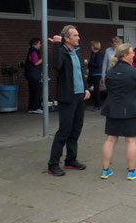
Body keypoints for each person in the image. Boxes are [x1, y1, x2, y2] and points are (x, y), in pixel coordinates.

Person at [47, 25, 91, 177]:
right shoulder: (61, 51)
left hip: (79, 96)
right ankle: (53, 164)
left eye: (78, 35)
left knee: (76, 130)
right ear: (66, 38)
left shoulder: (75, 52)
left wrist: (86, 88)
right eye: (75, 35)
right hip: (67, 96)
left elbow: (80, 72)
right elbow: (57, 67)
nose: (78, 38)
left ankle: (71, 160)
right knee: (64, 131)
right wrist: (57, 45)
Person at [100, 44, 136, 180]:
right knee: (130, 141)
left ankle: (105, 170)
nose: (134, 55)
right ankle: (132, 171)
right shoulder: (134, 72)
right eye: (132, 52)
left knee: (110, 139)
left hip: (112, 109)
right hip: (130, 110)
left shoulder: (110, 72)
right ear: (126, 55)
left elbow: (108, 88)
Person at [25, 38, 43, 114]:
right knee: (36, 92)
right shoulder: (34, 51)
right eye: (39, 43)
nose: (40, 45)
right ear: (35, 44)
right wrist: (43, 59)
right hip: (34, 75)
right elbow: (35, 63)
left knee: (32, 92)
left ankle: (31, 108)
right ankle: (36, 107)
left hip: (31, 74)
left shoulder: (31, 50)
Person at [87, 40, 104, 111]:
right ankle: (83, 103)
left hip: (97, 74)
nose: (91, 47)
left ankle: (97, 105)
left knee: (96, 90)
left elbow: (98, 65)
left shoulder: (99, 54)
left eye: (92, 46)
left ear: (94, 46)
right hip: (91, 73)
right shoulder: (92, 53)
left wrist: (89, 63)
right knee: (86, 87)